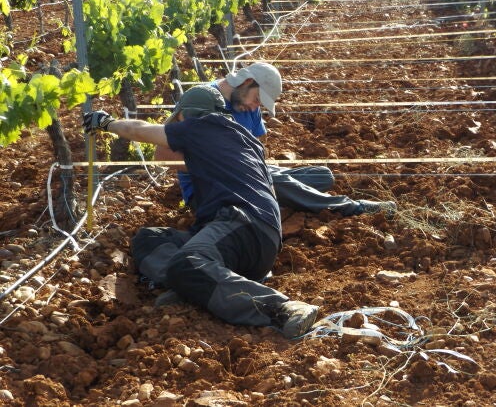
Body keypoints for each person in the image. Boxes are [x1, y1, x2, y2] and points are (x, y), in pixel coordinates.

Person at [83, 85, 319, 339]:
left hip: (242, 224)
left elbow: (138, 131)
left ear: (186, 114)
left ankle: (280, 309)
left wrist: (107, 123)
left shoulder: (201, 126)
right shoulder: (244, 139)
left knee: (188, 261)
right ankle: (190, 285)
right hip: (260, 238)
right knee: (150, 238)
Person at [155, 62, 396, 216]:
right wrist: (222, 167)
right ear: (248, 82)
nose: (255, 107)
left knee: (322, 175)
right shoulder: (201, 100)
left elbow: (259, 149)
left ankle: (284, 194)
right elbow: (162, 156)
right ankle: (351, 207)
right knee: (275, 181)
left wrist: (256, 169)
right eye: (258, 99)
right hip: (210, 191)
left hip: (246, 176)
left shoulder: (247, 104)